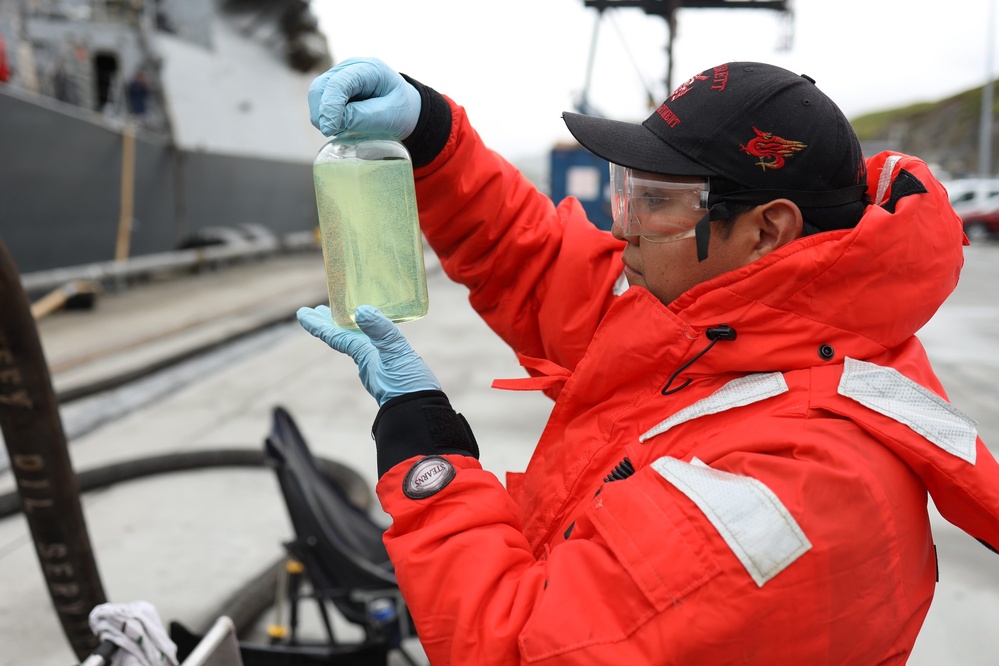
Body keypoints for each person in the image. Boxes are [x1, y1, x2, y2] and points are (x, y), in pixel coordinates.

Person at [297, 58, 999, 664]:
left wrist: (427, 454)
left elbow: (519, 650)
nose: (619, 224)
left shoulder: (797, 483)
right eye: (626, 190)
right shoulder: (742, 332)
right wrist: (431, 136)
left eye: (654, 202)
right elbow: (542, 267)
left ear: (766, 229)